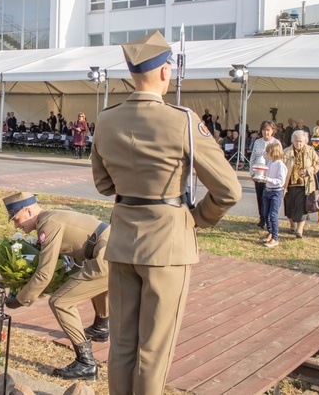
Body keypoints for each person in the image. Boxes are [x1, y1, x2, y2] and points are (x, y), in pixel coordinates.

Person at [90, 31, 242, 395]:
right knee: (154, 350)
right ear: (164, 71)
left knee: (122, 345)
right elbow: (229, 190)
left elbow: (103, 185)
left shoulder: (106, 119)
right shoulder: (183, 120)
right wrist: (198, 217)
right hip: (168, 243)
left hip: (122, 239)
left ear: (132, 73)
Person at [2, 192, 110, 381]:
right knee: (93, 284)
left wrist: (19, 300)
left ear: (27, 211)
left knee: (60, 302)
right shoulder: (52, 216)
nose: (17, 225)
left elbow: (45, 273)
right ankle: (101, 328)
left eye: (16, 219)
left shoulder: (47, 224)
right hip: (113, 249)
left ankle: (86, 363)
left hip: (106, 256)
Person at [283, 130, 319, 238]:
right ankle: (292, 226)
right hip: (289, 183)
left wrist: (308, 170)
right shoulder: (286, 151)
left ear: (305, 141)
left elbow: (318, 164)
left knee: (302, 208)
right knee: (289, 207)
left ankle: (299, 230)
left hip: (305, 184)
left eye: (301, 141)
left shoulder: (310, 151)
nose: (298, 144)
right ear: (292, 141)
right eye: (296, 141)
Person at [249, 121, 281, 229]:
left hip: (270, 175)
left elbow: (279, 160)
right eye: (264, 130)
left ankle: (268, 220)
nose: (266, 132)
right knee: (260, 197)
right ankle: (261, 218)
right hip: (258, 174)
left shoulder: (276, 142)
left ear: (272, 131)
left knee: (267, 198)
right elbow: (252, 157)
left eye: (268, 130)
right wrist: (252, 173)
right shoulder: (257, 142)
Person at [260, 141, 287, 248]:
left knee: (273, 214)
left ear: (274, 152)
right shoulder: (270, 162)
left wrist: (269, 179)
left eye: (268, 152)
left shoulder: (280, 165)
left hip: (276, 191)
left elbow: (281, 181)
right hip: (267, 190)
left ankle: (275, 237)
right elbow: (266, 173)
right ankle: (270, 232)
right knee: (266, 213)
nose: (267, 154)